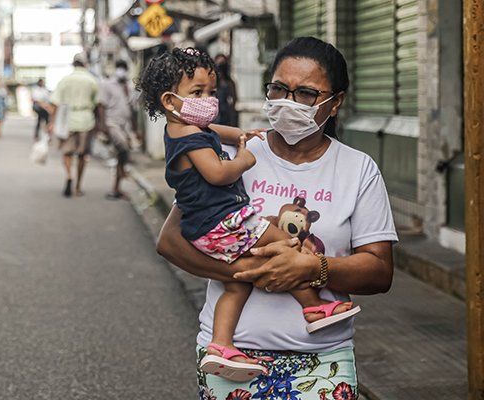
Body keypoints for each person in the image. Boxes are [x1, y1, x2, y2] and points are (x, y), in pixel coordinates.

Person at [155, 37, 398, 399]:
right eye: (279, 88)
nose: (288, 101)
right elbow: (171, 240)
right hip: (231, 361)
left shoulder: (358, 169)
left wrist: (310, 268)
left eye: (305, 94)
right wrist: (251, 274)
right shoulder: (231, 154)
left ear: (335, 103)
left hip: (323, 361)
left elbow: (380, 271)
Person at [48, 53, 99, 197]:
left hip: (67, 121)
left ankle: (69, 174)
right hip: (86, 120)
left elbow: (55, 102)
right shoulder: (92, 80)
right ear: (85, 64)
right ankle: (78, 186)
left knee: (67, 151)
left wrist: (52, 122)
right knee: (82, 154)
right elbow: (97, 103)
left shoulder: (65, 80)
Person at [97, 60, 141, 200]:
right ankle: (121, 171)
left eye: (123, 68)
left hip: (126, 125)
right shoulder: (108, 86)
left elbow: (134, 111)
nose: (121, 71)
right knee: (122, 145)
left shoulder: (130, 87)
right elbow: (101, 106)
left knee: (124, 152)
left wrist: (136, 130)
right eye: (119, 68)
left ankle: (117, 185)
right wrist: (103, 125)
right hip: (112, 123)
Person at [213, 54, 238, 127]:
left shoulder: (229, 82)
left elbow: (234, 97)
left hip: (225, 114)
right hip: (214, 113)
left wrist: (231, 111)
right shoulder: (212, 81)